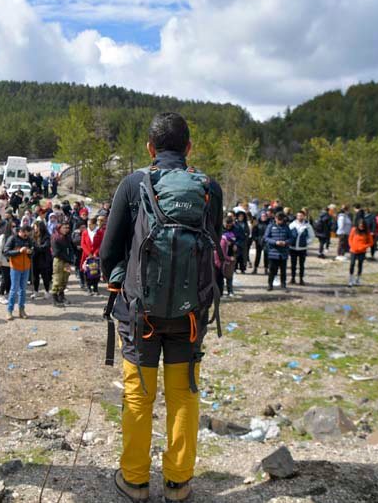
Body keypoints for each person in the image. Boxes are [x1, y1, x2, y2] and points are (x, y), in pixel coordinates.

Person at [99, 112, 223, 503]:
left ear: (150, 148)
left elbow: (109, 250)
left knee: (139, 395)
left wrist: (118, 277)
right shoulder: (208, 188)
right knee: (184, 393)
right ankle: (178, 482)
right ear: (189, 149)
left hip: (140, 313)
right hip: (190, 314)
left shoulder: (134, 184)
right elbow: (213, 243)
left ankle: (135, 481)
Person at [3, 224, 32, 320]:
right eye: (24, 232)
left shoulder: (28, 239)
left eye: (27, 232)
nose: (26, 234)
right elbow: (6, 252)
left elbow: (34, 249)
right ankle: (9, 311)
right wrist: (19, 251)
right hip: (15, 267)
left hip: (26, 267)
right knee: (14, 289)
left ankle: (21, 310)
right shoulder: (12, 239)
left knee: (23, 290)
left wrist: (30, 251)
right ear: (19, 231)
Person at [264, 212, 292, 291]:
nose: (279, 221)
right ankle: (270, 285)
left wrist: (285, 242)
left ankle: (283, 285)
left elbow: (291, 238)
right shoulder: (270, 226)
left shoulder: (286, 227)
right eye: (278, 219)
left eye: (281, 219)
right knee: (272, 270)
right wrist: (275, 242)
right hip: (273, 252)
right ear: (275, 218)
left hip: (283, 252)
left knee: (283, 270)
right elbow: (266, 238)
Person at [50, 221, 75, 307]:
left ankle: (61, 296)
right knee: (57, 280)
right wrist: (67, 260)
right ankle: (54, 298)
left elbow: (71, 248)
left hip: (67, 261)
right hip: (59, 261)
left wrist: (70, 260)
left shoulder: (67, 237)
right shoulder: (55, 238)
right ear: (59, 228)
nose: (66, 230)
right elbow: (56, 252)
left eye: (68, 228)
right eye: (64, 228)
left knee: (65, 279)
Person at [288, 211, 315, 286]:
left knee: (301, 265)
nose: (299, 217)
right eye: (298, 216)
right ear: (296, 216)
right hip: (293, 248)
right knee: (293, 264)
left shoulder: (307, 226)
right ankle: (292, 278)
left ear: (304, 216)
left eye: (301, 216)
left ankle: (301, 279)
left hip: (302, 248)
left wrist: (306, 242)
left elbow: (312, 236)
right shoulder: (292, 225)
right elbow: (288, 234)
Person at [81, 216, 104, 296]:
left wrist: (95, 253)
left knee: (96, 271)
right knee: (87, 271)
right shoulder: (85, 232)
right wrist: (89, 253)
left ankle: (95, 288)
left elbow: (101, 244)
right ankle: (88, 287)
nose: (89, 226)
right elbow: (83, 244)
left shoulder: (99, 232)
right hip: (87, 255)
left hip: (96, 256)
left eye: (91, 224)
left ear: (94, 225)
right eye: (88, 224)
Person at [348, 217, 374, 287]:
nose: (361, 227)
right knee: (352, 264)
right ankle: (351, 279)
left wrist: (364, 246)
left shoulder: (367, 232)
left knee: (360, 265)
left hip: (362, 251)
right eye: (360, 225)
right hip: (353, 250)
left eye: (362, 225)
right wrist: (352, 246)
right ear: (358, 225)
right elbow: (350, 239)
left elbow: (371, 242)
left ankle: (358, 279)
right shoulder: (354, 230)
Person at [30, 220, 52, 299]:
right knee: (35, 277)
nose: (34, 228)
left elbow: (45, 247)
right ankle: (36, 291)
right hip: (34, 259)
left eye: (36, 226)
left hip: (44, 259)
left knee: (45, 276)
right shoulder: (32, 235)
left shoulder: (46, 236)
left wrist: (35, 247)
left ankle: (47, 292)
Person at [0, 223, 12, 304]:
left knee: (9, 279)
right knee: (4, 279)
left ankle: (8, 293)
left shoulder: (13, 237)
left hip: (11, 262)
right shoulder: (3, 237)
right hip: (4, 262)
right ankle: (1, 295)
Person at [219, 217, 236, 297]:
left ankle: (230, 290)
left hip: (231, 253)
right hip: (221, 255)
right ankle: (220, 291)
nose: (228, 227)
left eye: (230, 225)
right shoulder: (219, 229)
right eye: (227, 225)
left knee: (229, 274)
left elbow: (241, 238)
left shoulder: (235, 229)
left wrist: (236, 245)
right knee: (220, 274)